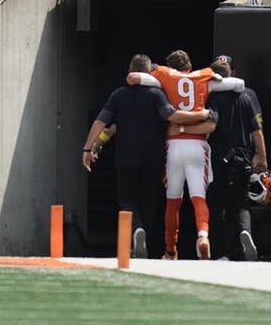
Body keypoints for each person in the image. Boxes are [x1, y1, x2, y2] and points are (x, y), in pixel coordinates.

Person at [82, 54, 212, 259]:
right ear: (150, 73)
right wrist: (203, 114)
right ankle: (148, 243)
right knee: (151, 201)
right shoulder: (157, 94)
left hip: (126, 156)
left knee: (127, 200)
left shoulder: (119, 95)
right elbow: (172, 116)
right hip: (155, 157)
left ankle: (137, 231)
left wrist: (90, 147)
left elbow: (104, 123)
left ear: (130, 73)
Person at [126, 50, 245, 260]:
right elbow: (238, 84)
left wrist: (156, 79)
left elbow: (134, 77)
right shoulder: (202, 77)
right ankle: (203, 237)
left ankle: (171, 249)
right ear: (189, 67)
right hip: (197, 145)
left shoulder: (163, 76)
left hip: (174, 146)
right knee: (199, 198)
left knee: (173, 201)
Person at [169, 57, 267, 261]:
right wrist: (262, 157)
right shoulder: (247, 96)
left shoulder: (212, 98)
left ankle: (222, 252)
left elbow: (210, 126)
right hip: (243, 157)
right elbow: (257, 132)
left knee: (217, 205)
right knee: (241, 204)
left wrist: (181, 129)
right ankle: (244, 233)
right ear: (232, 73)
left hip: (219, 158)